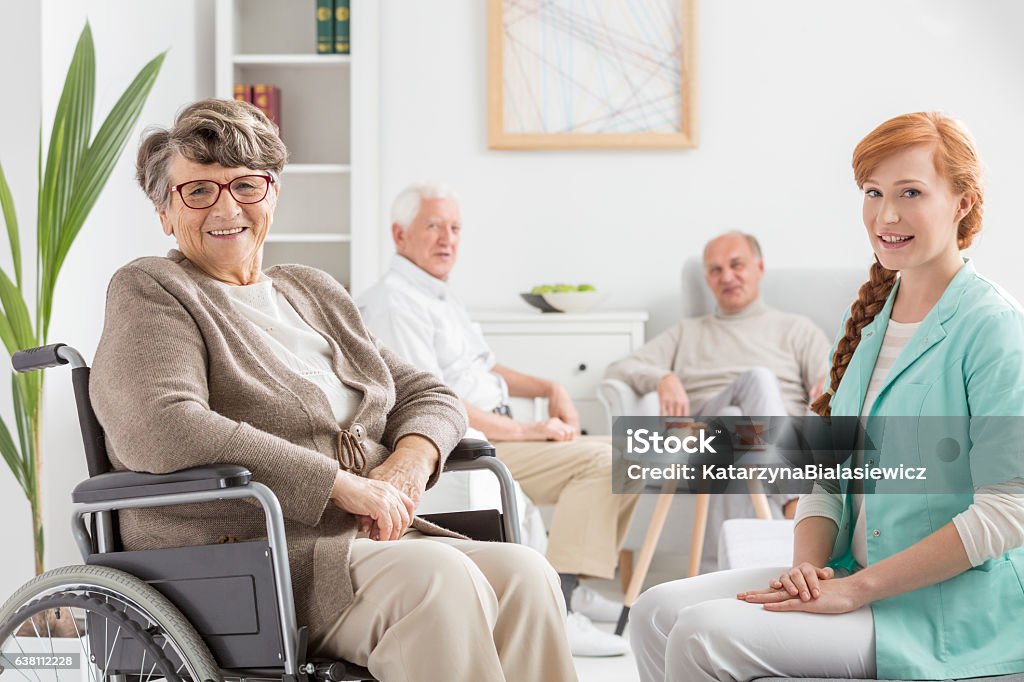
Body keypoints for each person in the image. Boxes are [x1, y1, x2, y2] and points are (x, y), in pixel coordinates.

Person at [89, 98, 577, 682]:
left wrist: (407, 466)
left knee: (526, 574)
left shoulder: (311, 291)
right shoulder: (154, 289)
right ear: (165, 211)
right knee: (438, 583)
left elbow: (429, 394)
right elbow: (162, 426)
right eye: (199, 190)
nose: (227, 206)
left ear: (272, 196)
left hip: (362, 543)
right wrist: (339, 485)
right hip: (252, 553)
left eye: (247, 185)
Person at [629, 112, 1024, 681]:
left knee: (702, 634)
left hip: (944, 608)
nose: (886, 215)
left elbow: (1009, 509)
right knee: (655, 610)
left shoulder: (992, 325)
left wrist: (858, 590)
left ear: (962, 202)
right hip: (852, 575)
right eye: (873, 193)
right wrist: (807, 572)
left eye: (911, 192)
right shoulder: (867, 325)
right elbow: (827, 481)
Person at [357, 183, 640, 657]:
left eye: (455, 228)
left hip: (503, 428)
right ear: (398, 233)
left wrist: (551, 388)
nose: (448, 238)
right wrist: (530, 430)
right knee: (604, 462)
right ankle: (562, 601)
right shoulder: (394, 302)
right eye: (433, 226)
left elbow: (485, 366)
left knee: (625, 457)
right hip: (469, 439)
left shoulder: (438, 295)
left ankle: (573, 580)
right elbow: (430, 401)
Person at [604, 231, 831, 571]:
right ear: (707, 279)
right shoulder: (687, 332)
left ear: (759, 267)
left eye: (736, 265)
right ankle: (793, 502)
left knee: (735, 418)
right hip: (702, 428)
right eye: (715, 270)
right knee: (750, 387)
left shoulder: (796, 329)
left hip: (767, 434)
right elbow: (620, 367)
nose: (726, 276)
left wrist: (832, 380)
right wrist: (662, 378)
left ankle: (721, 574)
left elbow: (830, 378)